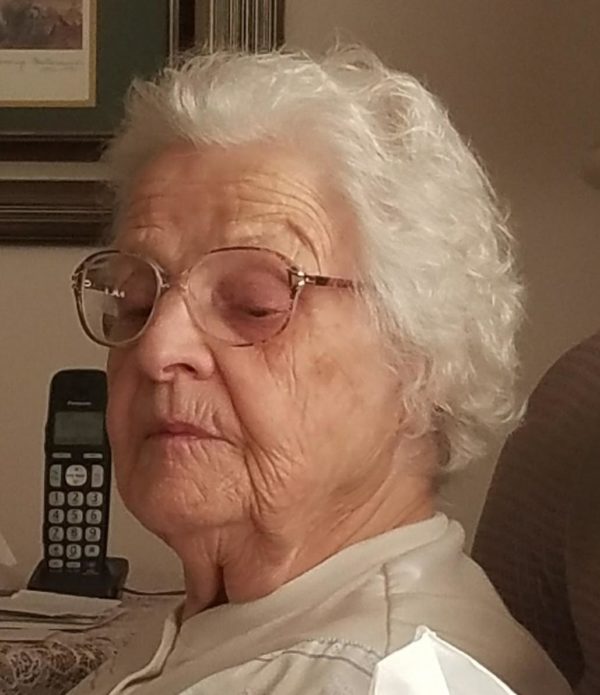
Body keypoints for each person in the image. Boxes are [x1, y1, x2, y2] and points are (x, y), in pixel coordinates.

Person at [68, 46, 570, 695]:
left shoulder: (381, 680)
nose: (156, 348)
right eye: (138, 299)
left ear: (421, 361)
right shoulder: (239, 628)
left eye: (254, 304)